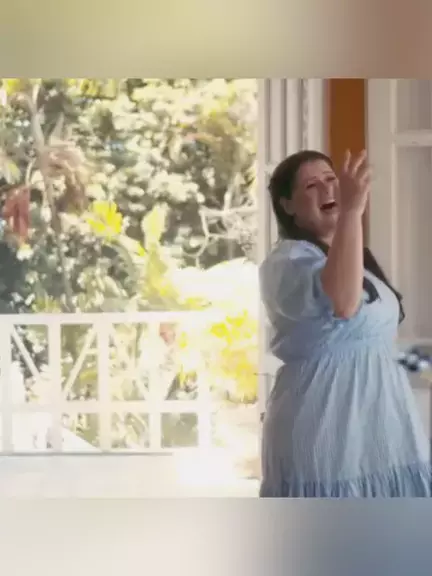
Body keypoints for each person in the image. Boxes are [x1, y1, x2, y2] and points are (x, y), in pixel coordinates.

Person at [259, 149, 431, 498]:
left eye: (331, 179)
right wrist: (352, 212)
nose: (327, 189)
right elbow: (344, 303)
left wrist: (423, 361)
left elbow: (376, 346)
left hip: (385, 429)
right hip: (327, 428)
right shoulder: (287, 261)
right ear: (287, 205)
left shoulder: (356, 262)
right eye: (312, 185)